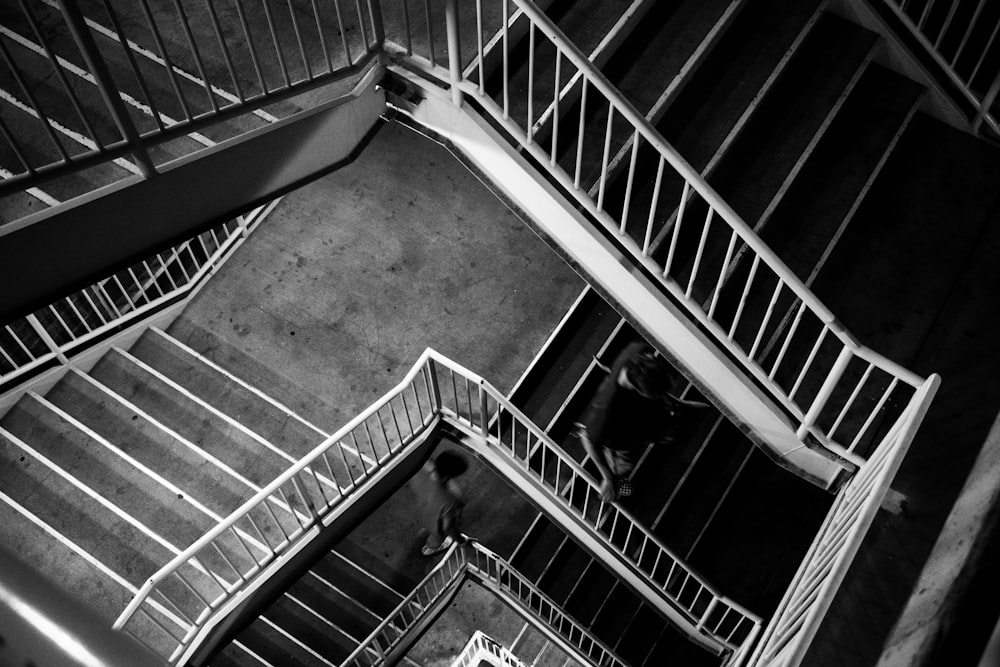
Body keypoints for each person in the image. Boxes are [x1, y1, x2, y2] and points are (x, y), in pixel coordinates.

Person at [576, 340, 706, 503]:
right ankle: (616, 481)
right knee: (624, 464)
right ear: (638, 389)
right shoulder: (604, 410)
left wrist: (671, 400)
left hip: (642, 421)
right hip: (622, 438)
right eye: (655, 394)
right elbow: (587, 438)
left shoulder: (636, 351)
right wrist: (607, 477)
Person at [413, 450, 468, 556]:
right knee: (436, 537)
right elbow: (447, 527)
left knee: (427, 523)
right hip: (435, 523)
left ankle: (426, 534)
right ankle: (431, 547)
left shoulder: (422, 467)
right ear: (451, 475)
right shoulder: (450, 500)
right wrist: (460, 540)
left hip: (421, 509)